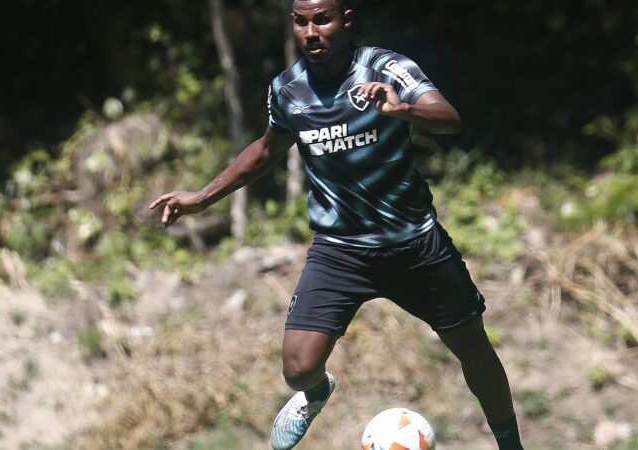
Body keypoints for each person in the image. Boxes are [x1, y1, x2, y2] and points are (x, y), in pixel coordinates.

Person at [150, 0, 524, 448]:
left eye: (321, 20)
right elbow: (267, 150)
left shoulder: (387, 68)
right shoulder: (287, 89)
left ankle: (510, 443)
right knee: (297, 367)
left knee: (474, 352)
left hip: (414, 246)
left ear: (346, 20)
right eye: (300, 22)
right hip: (341, 251)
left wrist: (402, 110)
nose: (310, 32)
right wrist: (200, 198)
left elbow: (448, 118)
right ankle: (317, 391)